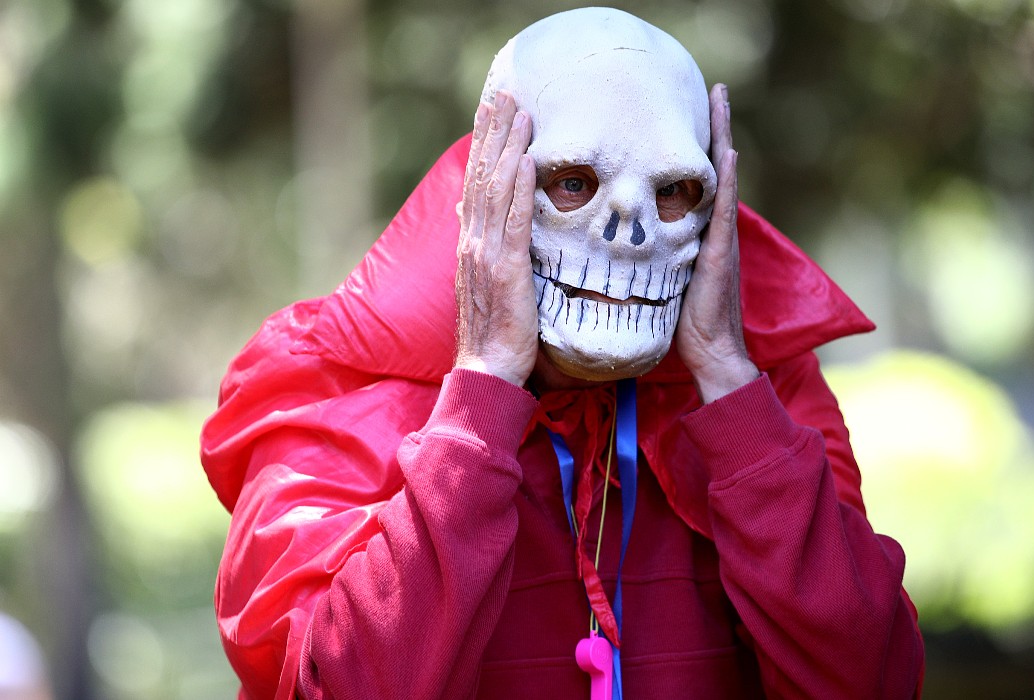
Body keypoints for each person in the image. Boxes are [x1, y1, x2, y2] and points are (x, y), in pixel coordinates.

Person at [201, 8, 924, 699]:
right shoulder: (327, 399)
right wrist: (481, 393)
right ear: (488, 190)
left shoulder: (768, 393)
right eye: (572, 184)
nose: (630, 234)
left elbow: (869, 680)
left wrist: (731, 387)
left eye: (674, 191)